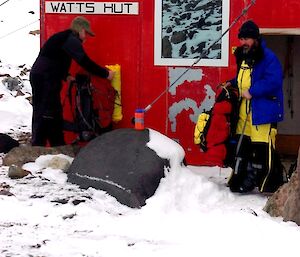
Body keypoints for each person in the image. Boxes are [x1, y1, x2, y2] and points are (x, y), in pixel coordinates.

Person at [30, 16, 114, 147]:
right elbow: (84, 61)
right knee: (47, 111)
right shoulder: (71, 40)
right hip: (45, 77)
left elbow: (57, 58)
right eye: (86, 33)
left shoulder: (64, 38)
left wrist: (66, 75)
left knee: (51, 111)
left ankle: (54, 143)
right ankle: (38, 145)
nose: (86, 37)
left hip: (43, 75)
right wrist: (106, 74)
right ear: (80, 29)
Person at [226, 20, 284, 193]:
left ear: (256, 39)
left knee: (262, 149)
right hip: (245, 109)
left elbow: (273, 81)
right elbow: (241, 79)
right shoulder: (243, 57)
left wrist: (253, 91)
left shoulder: (268, 58)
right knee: (243, 146)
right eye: (241, 38)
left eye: (247, 39)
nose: (243, 42)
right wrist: (231, 83)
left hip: (263, 111)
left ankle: (268, 183)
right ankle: (244, 179)